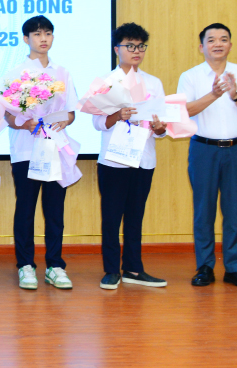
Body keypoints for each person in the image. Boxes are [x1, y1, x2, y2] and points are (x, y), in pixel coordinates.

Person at [179, 23, 237, 290]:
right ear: (201, 47)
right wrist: (214, 94)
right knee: (203, 211)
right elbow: (185, 111)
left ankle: (234, 268)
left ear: (230, 45)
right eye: (212, 40)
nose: (218, 44)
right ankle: (205, 267)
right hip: (203, 149)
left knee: (234, 210)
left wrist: (235, 95)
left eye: (223, 39)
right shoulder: (190, 76)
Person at [92, 23, 168, 290]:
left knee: (135, 216)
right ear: (117, 49)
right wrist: (117, 115)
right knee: (112, 217)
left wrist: (160, 127)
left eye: (140, 46)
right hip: (114, 160)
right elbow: (97, 124)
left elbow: (162, 128)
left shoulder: (154, 83)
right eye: (130, 46)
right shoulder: (106, 82)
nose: (136, 51)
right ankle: (112, 270)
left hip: (143, 159)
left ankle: (134, 269)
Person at [5, 15, 78, 291]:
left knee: (54, 209)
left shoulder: (62, 73)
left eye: (47, 33)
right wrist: (24, 122)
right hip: (26, 150)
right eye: (37, 34)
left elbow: (71, 112)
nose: (43, 38)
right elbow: (8, 116)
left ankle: (55, 266)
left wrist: (65, 119)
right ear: (26, 39)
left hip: (54, 147)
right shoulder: (15, 74)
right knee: (25, 209)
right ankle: (25, 265)